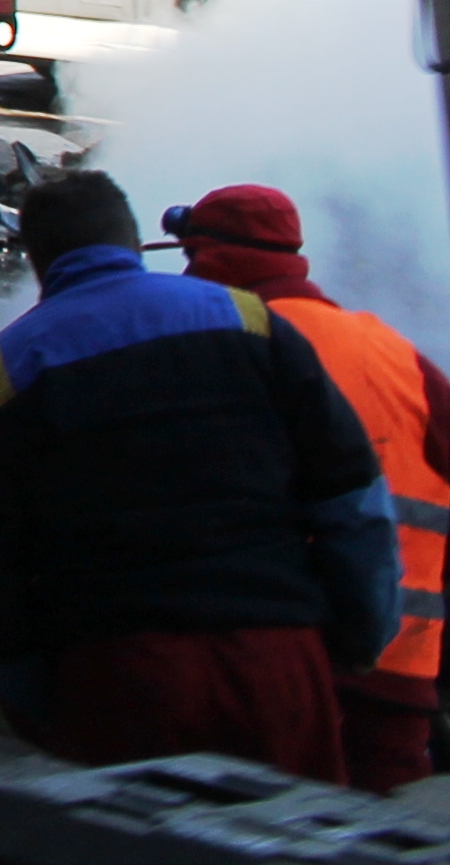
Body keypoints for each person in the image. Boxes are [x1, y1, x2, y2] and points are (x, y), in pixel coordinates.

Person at [0, 171, 399, 781]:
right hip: (277, 657)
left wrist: (34, 696)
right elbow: (352, 497)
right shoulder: (251, 324)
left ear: (37, 259)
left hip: (117, 674)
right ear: (133, 245)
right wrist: (359, 636)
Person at [171, 183, 450, 792]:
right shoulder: (393, 350)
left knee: (261, 831)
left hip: (278, 652)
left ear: (207, 259)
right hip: (401, 667)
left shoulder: (225, 348)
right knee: (394, 850)